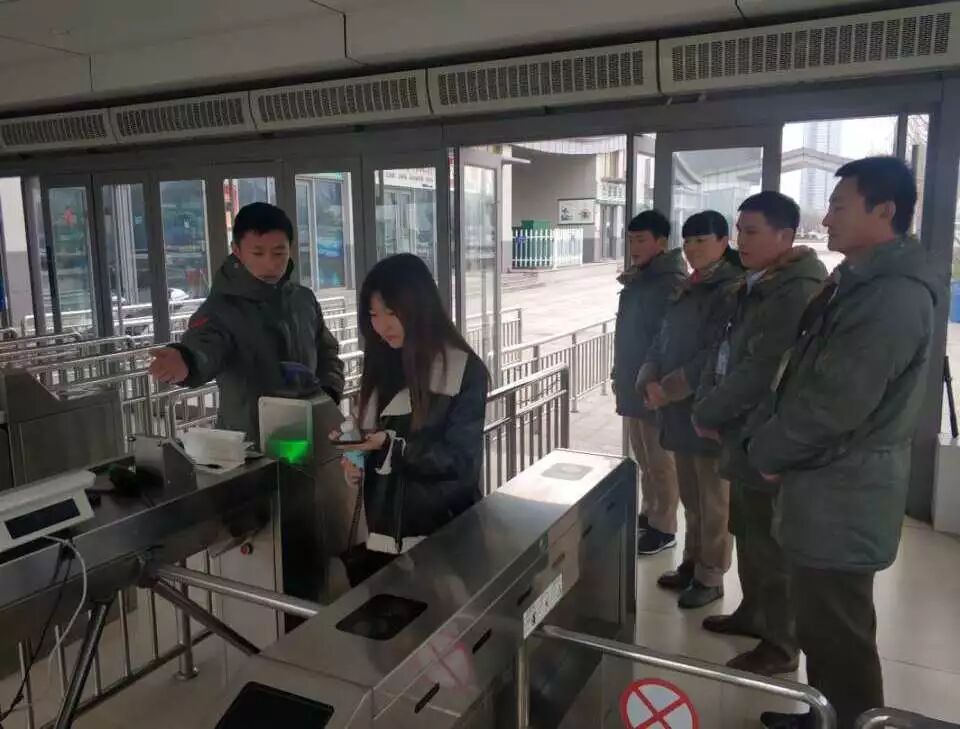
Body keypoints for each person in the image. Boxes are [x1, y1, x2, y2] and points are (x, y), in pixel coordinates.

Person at [747, 158, 939, 729]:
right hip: (827, 489)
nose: (826, 219)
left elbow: (833, 405)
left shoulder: (890, 298)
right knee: (822, 627)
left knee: (840, 634)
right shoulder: (858, 283)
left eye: (839, 206)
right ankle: (825, 716)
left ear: (884, 211)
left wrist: (768, 452)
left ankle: (851, 721)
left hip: (843, 496)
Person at [693, 192, 826, 676]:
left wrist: (709, 409)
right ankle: (754, 613)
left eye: (751, 232)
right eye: (739, 230)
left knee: (771, 546)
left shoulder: (796, 290)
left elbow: (761, 369)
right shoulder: (759, 281)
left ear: (784, 235)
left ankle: (780, 643)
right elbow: (725, 351)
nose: (741, 241)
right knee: (748, 532)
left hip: (767, 436)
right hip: (743, 431)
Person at [335, 253, 489, 587]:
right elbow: (371, 440)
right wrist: (355, 458)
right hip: (382, 544)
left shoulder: (463, 370)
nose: (381, 326)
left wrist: (396, 448)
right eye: (373, 315)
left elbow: (462, 464)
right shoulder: (380, 364)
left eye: (391, 313)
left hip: (444, 541)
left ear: (420, 307)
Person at [149, 202, 345, 440]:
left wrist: (328, 394)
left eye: (279, 253)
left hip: (309, 433)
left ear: (290, 249)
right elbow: (206, 346)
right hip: (250, 443)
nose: (270, 263)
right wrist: (187, 360)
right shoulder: (221, 309)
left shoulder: (303, 299)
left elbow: (327, 352)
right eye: (258, 253)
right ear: (237, 251)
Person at [637, 210, 743, 609]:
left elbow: (716, 356)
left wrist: (666, 389)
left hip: (709, 412)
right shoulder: (688, 285)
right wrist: (649, 376)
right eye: (688, 241)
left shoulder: (730, 289)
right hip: (679, 413)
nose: (693, 248)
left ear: (723, 242)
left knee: (714, 503)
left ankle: (711, 575)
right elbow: (662, 339)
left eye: (702, 240)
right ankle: (691, 563)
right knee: (692, 500)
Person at [612, 210, 687, 556]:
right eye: (631, 239)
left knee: (660, 461)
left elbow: (668, 342)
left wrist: (658, 384)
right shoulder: (640, 278)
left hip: (652, 387)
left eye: (641, 239)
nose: (634, 246)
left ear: (661, 242)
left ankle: (665, 526)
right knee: (644, 457)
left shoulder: (669, 282)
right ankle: (650, 510)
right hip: (632, 381)